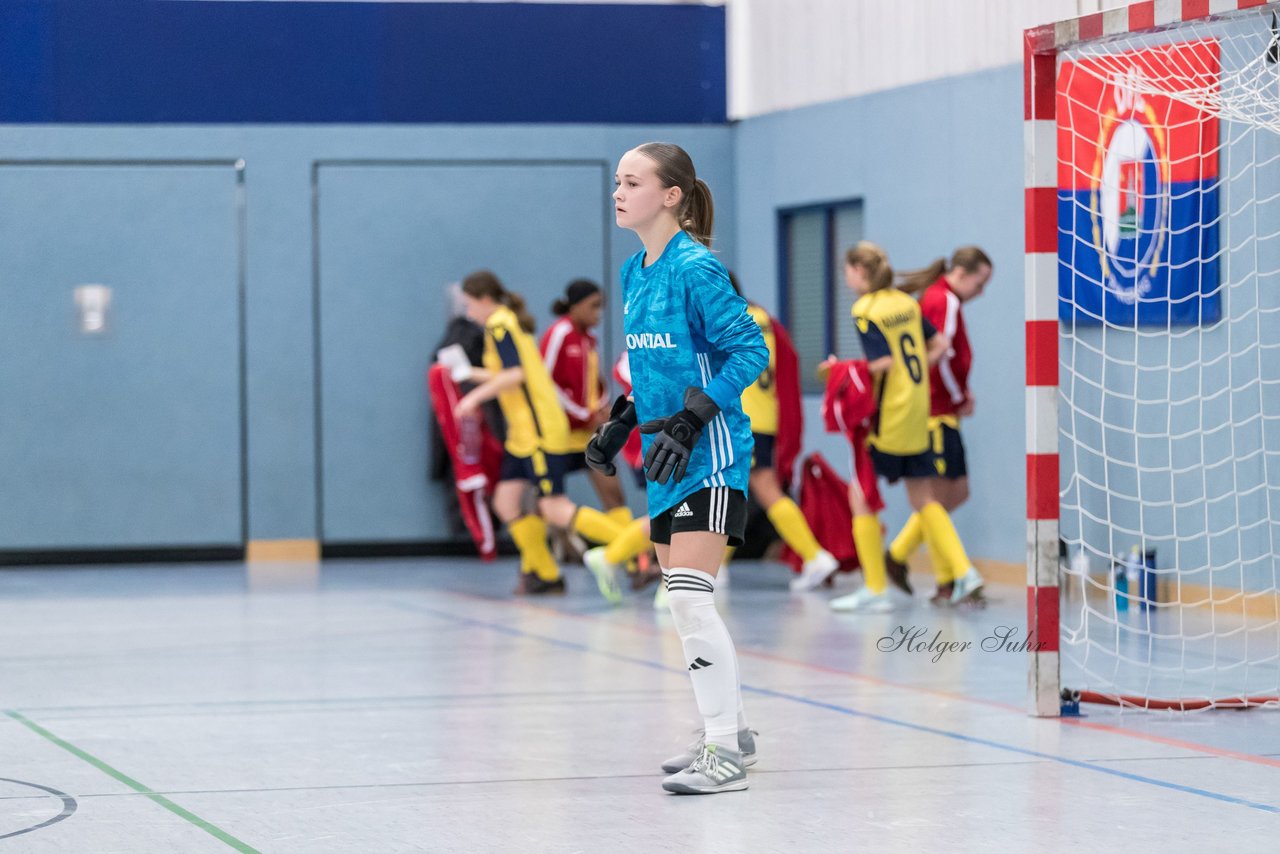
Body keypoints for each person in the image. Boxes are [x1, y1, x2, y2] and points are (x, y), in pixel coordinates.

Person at [587, 142, 768, 795]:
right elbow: (665, 368)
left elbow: (750, 351)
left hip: (711, 454)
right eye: (616, 181)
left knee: (691, 598)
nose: (618, 191)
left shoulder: (697, 268)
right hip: (664, 454)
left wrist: (695, 420)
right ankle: (735, 730)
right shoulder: (637, 270)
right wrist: (624, 419)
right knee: (681, 604)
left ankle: (723, 755)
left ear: (670, 196)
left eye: (631, 182)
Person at [453, 270, 629, 600]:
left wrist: (473, 398)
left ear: (485, 300)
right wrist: (467, 374)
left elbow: (515, 375)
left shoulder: (499, 324)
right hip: (521, 434)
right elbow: (507, 372)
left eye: (469, 304)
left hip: (539, 431)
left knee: (553, 507)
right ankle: (546, 574)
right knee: (506, 503)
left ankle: (634, 548)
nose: (467, 312)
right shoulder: (505, 322)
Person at [827, 241, 984, 612]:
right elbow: (940, 344)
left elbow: (880, 363)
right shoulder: (905, 303)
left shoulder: (866, 309)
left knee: (861, 494)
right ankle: (965, 572)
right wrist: (913, 373)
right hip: (919, 409)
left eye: (847, 270)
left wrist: (841, 369)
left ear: (859, 271)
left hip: (889, 413)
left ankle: (876, 588)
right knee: (925, 497)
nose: (846, 277)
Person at [883, 247, 993, 605]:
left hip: (942, 409)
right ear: (962, 273)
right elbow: (941, 354)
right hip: (935, 411)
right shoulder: (943, 300)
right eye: (981, 282)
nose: (983, 292)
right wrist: (960, 395)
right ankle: (955, 576)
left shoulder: (941, 300)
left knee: (952, 494)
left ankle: (903, 555)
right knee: (935, 498)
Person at [725, 272, 840, 591]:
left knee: (763, 488)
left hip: (741, 419)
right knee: (733, 491)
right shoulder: (761, 317)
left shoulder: (724, 321)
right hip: (764, 417)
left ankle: (815, 556)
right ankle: (716, 567)